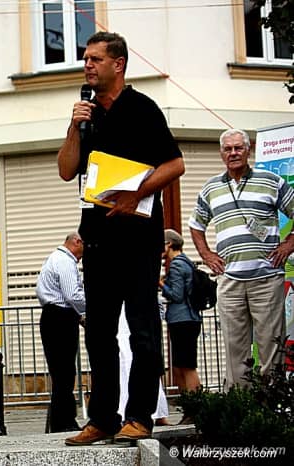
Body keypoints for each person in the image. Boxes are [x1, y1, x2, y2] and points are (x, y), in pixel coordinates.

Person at [58, 31, 185, 445]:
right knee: (98, 332)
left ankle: (140, 416)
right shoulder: (87, 113)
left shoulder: (142, 108)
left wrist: (136, 194)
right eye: (85, 59)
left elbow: (175, 164)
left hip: (139, 238)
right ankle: (102, 418)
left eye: (95, 59)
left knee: (143, 330)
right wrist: (74, 126)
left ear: (118, 64)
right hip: (97, 239)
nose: (87, 65)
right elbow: (66, 170)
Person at [189, 128, 294, 389]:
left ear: (249, 150)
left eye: (238, 148)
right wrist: (207, 255)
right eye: (228, 149)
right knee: (234, 348)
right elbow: (196, 225)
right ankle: (240, 403)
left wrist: (288, 245)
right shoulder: (211, 187)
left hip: (266, 279)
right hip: (230, 281)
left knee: (271, 345)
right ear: (221, 153)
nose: (233, 153)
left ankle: (270, 402)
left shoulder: (271, 181)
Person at [35, 232, 86, 433]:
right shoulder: (65, 261)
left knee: (61, 372)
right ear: (77, 242)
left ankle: (60, 419)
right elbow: (73, 295)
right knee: (64, 372)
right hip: (60, 318)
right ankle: (64, 421)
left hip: (54, 316)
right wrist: (94, 307)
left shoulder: (54, 258)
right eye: (85, 247)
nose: (85, 253)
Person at [160, 228, 202, 401]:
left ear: (168, 244)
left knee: (186, 366)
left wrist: (161, 284)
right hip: (188, 319)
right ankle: (190, 405)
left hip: (182, 319)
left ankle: (195, 405)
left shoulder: (177, 264)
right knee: (180, 366)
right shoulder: (187, 262)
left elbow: (177, 295)